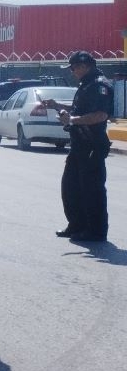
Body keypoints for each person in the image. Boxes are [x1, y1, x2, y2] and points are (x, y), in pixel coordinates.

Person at [48, 50, 112, 242]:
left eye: (74, 68)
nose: (72, 72)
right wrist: (56, 105)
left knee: (92, 190)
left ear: (84, 66)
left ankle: (95, 231)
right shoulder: (86, 85)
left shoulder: (100, 85)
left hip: (92, 145)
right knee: (70, 187)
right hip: (79, 145)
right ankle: (76, 225)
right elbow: (78, 111)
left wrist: (73, 120)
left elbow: (101, 115)